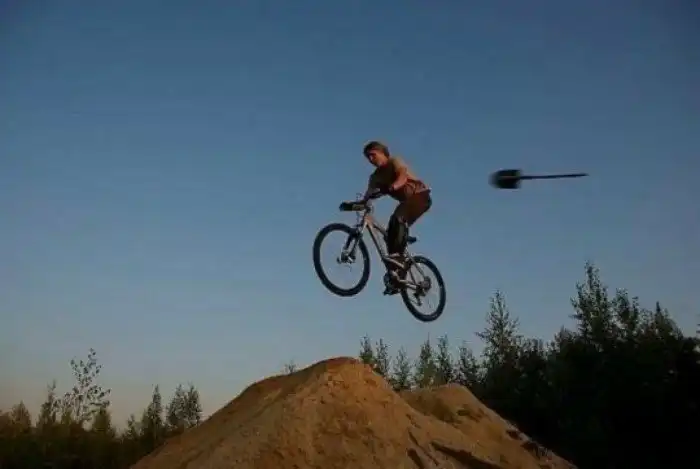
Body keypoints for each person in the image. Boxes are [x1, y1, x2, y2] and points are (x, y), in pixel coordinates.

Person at [362, 140, 432, 295]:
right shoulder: (375, 177)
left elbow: (402, 177)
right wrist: (356, 204)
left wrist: (393, 186)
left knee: (397, 217)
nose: (371, 160)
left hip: (420, 197)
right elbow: (367, 195)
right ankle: (397, 279)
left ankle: (398, 256)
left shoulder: (394, 161)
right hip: (407, 203)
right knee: (389, 237)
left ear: (383, 153)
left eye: (373, 155)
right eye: (368, 158)